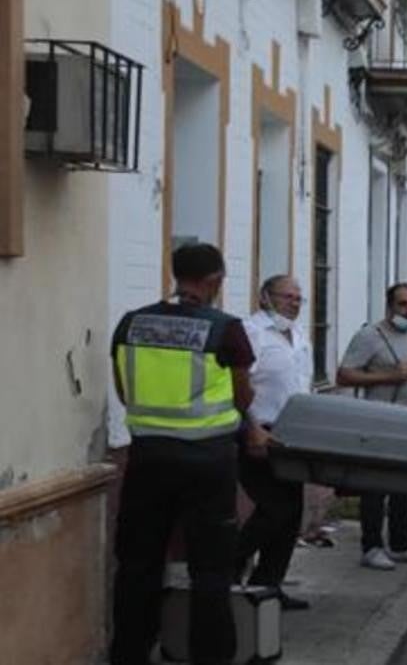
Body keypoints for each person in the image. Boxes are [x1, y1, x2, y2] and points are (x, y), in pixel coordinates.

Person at [109, 243, 262, 665]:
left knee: (137, 564)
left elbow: (124, 392)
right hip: (208, 463)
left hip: (147, 459)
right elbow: (242, 394)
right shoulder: (225, 329)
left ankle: (128, 654)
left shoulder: (131, 323)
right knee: (211, 570)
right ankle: (210, 657)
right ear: (213, 281)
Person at [337, 283, 407, 571]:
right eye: (403, 304)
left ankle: (401, 543)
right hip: (378, 423)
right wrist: (388, 376)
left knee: (404, 485)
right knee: (374, 487)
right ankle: (371, 546)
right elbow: (344, 375)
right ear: (389, 306)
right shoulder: (371, 336)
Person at [235, 275, 312, 610]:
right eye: (287, 297)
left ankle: (269, 587)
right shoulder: (251, 332)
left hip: (292, 435)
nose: (294, 303)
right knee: (273, 509)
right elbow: (236, 385)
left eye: (299, 298)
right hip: (257, 432)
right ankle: (227, 567)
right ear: (265, 296)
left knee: (291, 513)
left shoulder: (298, 335)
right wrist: (251, 427)